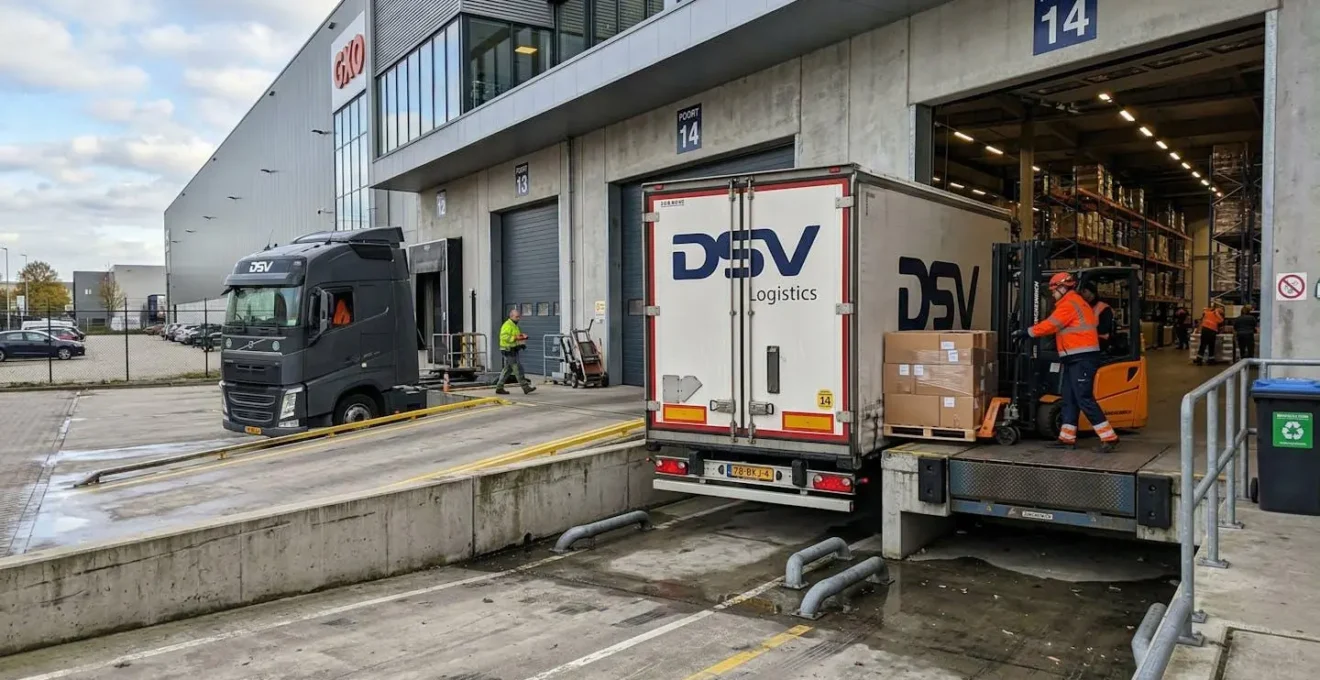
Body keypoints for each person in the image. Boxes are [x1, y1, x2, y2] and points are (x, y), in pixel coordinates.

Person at [1012, 272, 1120, 452]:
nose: (1052, 294)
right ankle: (1067, 437)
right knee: (1069, 398)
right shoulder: (1070, 303)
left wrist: (1027, 332)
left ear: (1063, 288)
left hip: (1082, 358)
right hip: (1073, 358)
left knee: (1084, 398)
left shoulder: (1069, 304)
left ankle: (1109, 437)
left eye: (1054, 290)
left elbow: (1050, 325)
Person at [495, 308, 536, 395]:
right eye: (517, 317)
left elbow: (516, 336)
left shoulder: (514, 325)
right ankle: (525, 387)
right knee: (518, 368)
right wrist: (516, 338)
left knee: (508, 370)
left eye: (519, 317)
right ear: (511, 316)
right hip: (508, 350)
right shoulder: (507, 325)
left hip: (512, 349)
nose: (518, 318)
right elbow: (504, 337)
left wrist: (521, 342)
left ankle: (499, 387)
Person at [1080, 284, 1115, 354]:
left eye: (1084, 291)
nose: (1082, 294)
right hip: (1090, 339)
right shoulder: (1085, 307)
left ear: (1092, 293)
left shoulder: (1103, 308)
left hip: (1101, 340)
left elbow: (1104, 328)